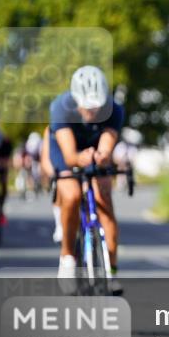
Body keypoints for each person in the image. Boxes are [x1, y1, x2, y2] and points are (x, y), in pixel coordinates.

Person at [49, 66, 125, 293]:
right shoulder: (61, 108)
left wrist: (101, 158)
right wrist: (80, 158)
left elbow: (106, 149)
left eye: (97, 106)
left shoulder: (115, 110)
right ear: (76, 100)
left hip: (93, 150)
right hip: (66, 149)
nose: (92, 112)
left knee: (104, 200)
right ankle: (67, 259)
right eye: (87, 107)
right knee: (71, 195)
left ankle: (111, 272)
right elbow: (71, 155)